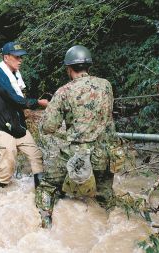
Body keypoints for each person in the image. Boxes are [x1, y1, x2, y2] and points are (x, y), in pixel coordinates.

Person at [35, 45, 125, 228]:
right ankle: (116, 227)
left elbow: (47, 127)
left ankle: (45, 226)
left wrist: (65, 131)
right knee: (105, 194)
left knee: (47, 187)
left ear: (69, 69)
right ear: (88, 65)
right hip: (106, 154)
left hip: (77, 156)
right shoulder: (106, 85)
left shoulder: (64, 92)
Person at [0, 42, 49, 188]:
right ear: (6, 58)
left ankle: (41, 192)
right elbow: (15, 99)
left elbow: (20, 99)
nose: (20, 60)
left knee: (36, 155)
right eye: (16, 57)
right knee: (8, 163)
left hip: (18, 127)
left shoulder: (16, 75)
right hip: (2, 128)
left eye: (21, 57)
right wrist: (39, 103)